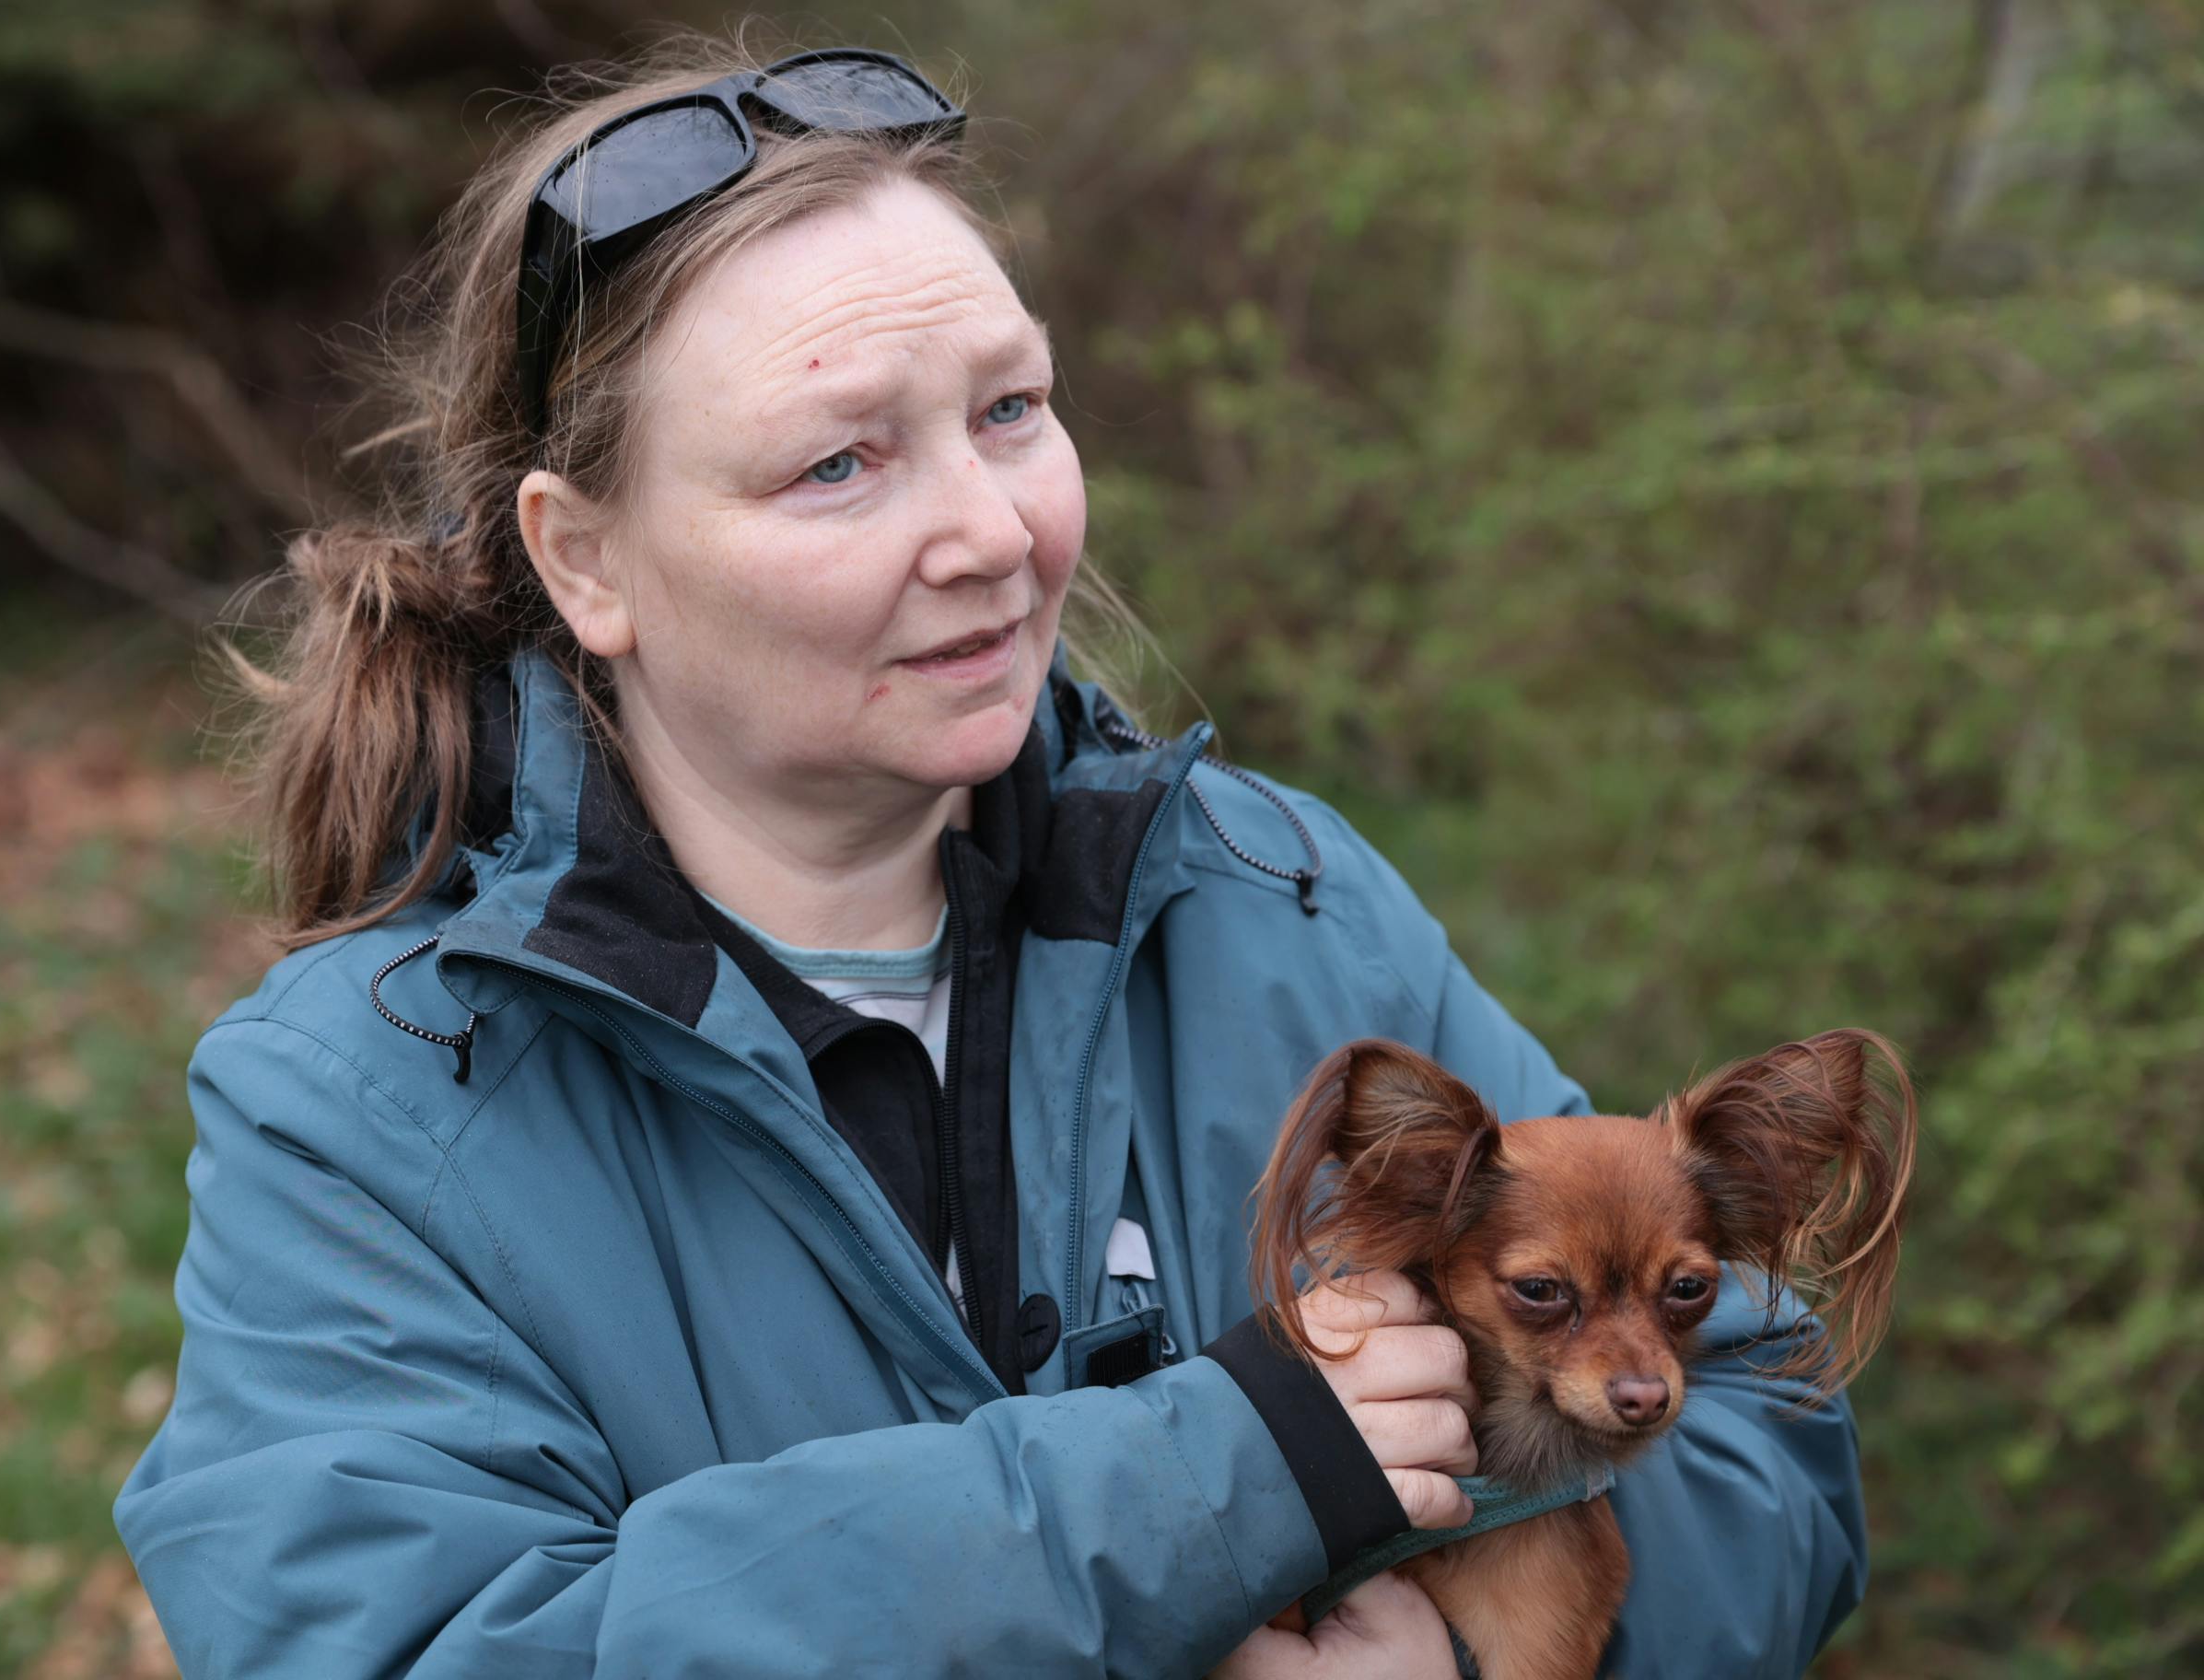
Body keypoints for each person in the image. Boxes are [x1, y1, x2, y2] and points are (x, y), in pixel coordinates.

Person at [114, 33, 1869, 1678]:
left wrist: (1502, 1657)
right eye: (838, 462)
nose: (990, 528)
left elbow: (1761, 1439)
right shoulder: (367, 1106)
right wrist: (1221, 1479)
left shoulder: (1277, 904)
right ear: (588, 561)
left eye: (1011, 409)